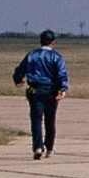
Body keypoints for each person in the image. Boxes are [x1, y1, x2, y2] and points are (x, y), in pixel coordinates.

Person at [13, 30, 69, 159]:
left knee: (36, 120)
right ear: (53, 42)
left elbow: (20, 70)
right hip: (51, 91)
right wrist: (63, 88)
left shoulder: (32, 55)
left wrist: (18, 80)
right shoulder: (56, 57)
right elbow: (62, 74)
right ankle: (49, 147)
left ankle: (38, 146)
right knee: (50, 121)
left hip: (35, 91)